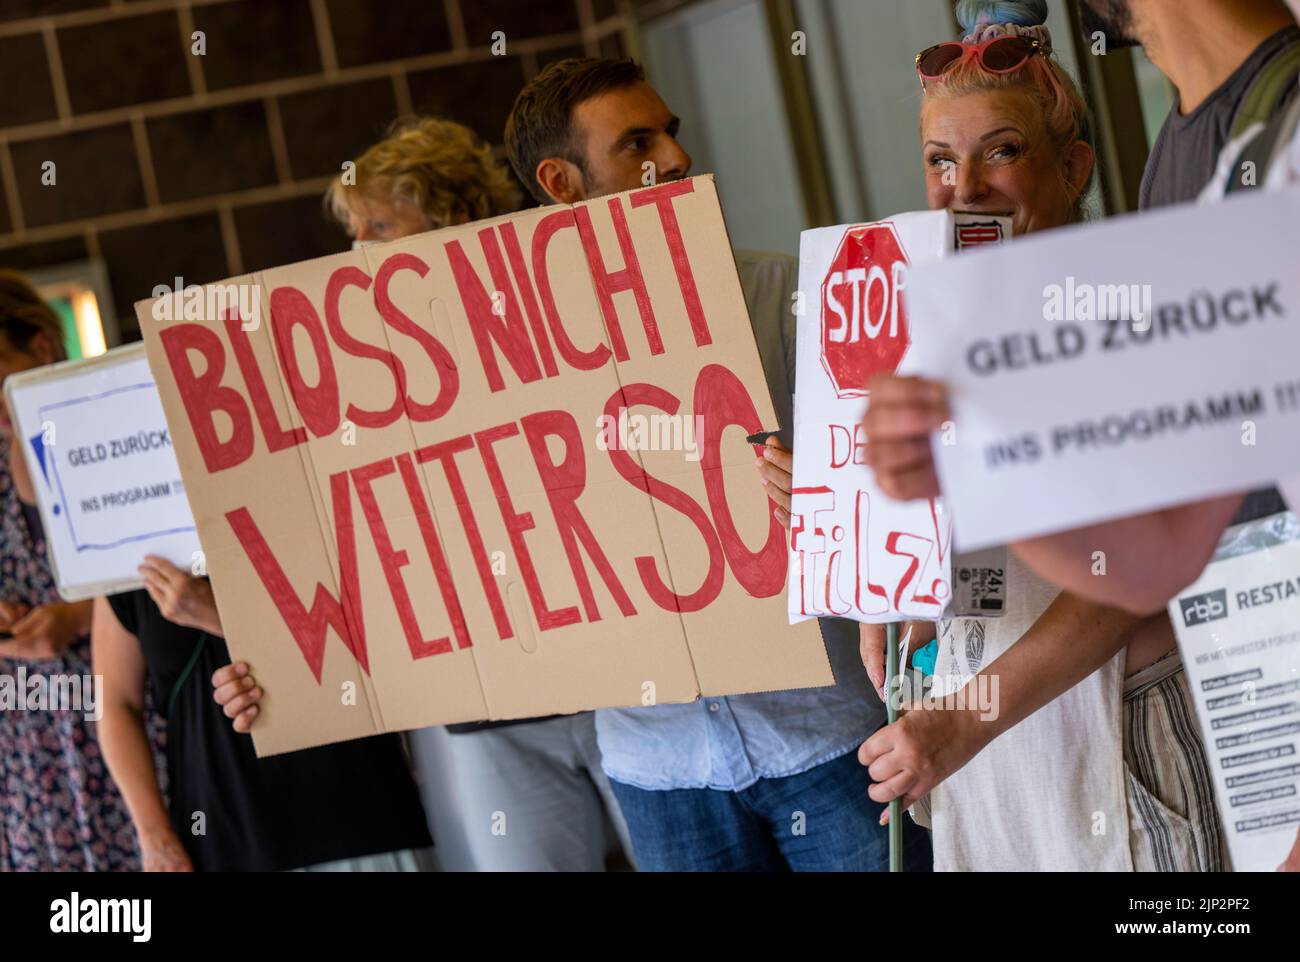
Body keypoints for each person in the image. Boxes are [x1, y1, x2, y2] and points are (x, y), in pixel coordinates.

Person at [860, 0, 1300, 868]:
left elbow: (1137, 576)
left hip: (1122, 734)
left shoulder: (1125, 304)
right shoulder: (940, 334)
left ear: (1073, 167)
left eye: (1003, 151)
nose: (966, 187)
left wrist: (965, 716)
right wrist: (887, 565)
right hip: (1004, 768)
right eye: (941, 160)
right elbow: (1103, 557)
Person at [502, 57, 932, 872]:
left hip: (831, 735)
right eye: (636, 142)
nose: (673, 155)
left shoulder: (796, 295)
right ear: (561, 182)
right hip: (658, 766)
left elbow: (906, 492)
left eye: (671, 131)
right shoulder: (502, 373)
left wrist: (830, 492)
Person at [217, 115, 636, 873]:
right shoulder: (357, 376)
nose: (359, 248)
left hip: (623, 677)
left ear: (455, 215)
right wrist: (276, 657)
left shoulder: (547, 310)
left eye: (380, 223)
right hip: (487, 707)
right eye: (354, 229)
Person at [94, 557, 435, 871]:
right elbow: (115, 705)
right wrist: (155, 838)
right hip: (220, 840)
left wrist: (224, 615)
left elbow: (387, 640)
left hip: (361, 819)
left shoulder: (298, 500)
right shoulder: (127, 541)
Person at [0, 271, 151, 871]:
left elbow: (175, 573)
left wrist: (79, 617)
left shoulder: (116, 437)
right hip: (29, 755)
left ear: (40, 346)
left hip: (128, 723)